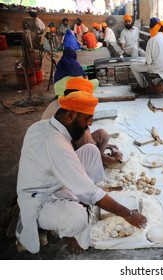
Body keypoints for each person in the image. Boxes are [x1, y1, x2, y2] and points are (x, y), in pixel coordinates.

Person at [16, 90, 147, 254]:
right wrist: (128, 214)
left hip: (51, 179)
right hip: (38, 198)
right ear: (70, 116)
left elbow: (66, 161)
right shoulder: (57, 144)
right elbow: (90, 192)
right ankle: (67, 231)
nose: (89, 124)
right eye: (86, 119)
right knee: (78, 218)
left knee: (91, 150)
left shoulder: (42, 126)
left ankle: (81, 200)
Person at [41, 77, 122, 166]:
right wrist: (112, 159)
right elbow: (88, 147)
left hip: (51, 151)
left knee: (99, 136)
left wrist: (106, 146)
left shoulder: (58, 104)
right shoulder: (72, 118)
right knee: (102, 135)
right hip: (61, 160)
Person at [130, 18, 163, 89]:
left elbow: (148, 61)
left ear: (152, 29)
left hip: (157, 68)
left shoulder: (152, 40)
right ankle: (154, 83)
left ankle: (145, 87)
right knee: (161, 68)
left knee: (133, 66)